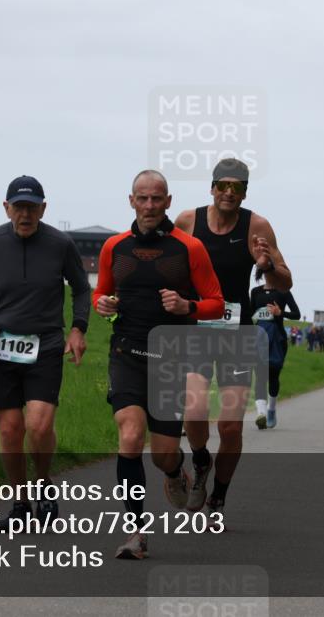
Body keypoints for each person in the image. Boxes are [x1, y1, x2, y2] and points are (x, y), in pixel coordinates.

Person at [93, 169, 224, 559]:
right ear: (131, 201)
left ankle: (176, 469)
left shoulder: (189, 248)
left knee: (163, 454)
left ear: (168, 201)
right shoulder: (114, 247)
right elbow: (101, 292)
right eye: (142, 198)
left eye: (156, 198)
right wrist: (102, 304)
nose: (149, 205)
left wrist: (187, 307)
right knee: (131, 435)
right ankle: (136, 533)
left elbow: (217, 303)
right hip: (127, 353)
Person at [0, 175, 90, 530]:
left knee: (38, 426)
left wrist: (78, 328)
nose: (26, 214)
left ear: (43, 209)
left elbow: (81, 288)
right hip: (2, 345)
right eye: (19, 207)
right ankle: (20, 503)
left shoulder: (60, 244)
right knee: (10, 431)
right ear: (6, 208)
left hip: (46, 345)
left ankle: (43, 484)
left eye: (32, 208)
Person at [174, 158, 293, 518]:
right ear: (212, 188)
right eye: (223, 185)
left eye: (237, 186)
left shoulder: (257, 226)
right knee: (194, 409)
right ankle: (200, 461)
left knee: (229, 425)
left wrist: (267, 265)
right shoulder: (188, 221)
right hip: (197, 330)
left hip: (236, 336)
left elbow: (285, 281)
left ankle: (218, 497)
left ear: (245, 192)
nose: (229, 192)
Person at [250, 274, 301, 430]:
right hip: (259, 337)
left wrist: (280, 313)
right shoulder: (256, 292)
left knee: (273, 375)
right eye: (266, 271)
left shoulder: (283, 291)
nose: (269, 274)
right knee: (260, 375)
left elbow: (296, 314)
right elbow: (249, 313)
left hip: (277, 339)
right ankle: (261, 414)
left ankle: (271, 409)